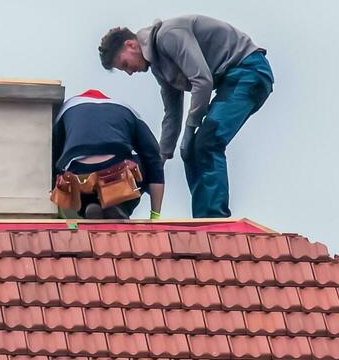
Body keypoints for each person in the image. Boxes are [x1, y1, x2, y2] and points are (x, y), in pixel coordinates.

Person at [98, 15, 273, 219]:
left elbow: (202, 81)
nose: (129, 72)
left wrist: (190, 129)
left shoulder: (168, 36)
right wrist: (159, 159)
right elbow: (172, 113)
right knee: (190, 151)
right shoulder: (159, 67)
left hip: (249, 71)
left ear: (131, 45)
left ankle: (213, 219)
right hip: (231, 80)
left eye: (125, 65)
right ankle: (202, 217)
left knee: (207, 142)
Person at [51, 88, 164, 219]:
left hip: (79, 177)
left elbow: (52, 162)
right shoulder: (126, 110)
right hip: (118, 173)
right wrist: (155, 215)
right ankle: (121, 207)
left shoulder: (65, 111)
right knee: (144, 162)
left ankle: (88, 206)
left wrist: (57, 207)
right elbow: (154, 160)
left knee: (72, 175)